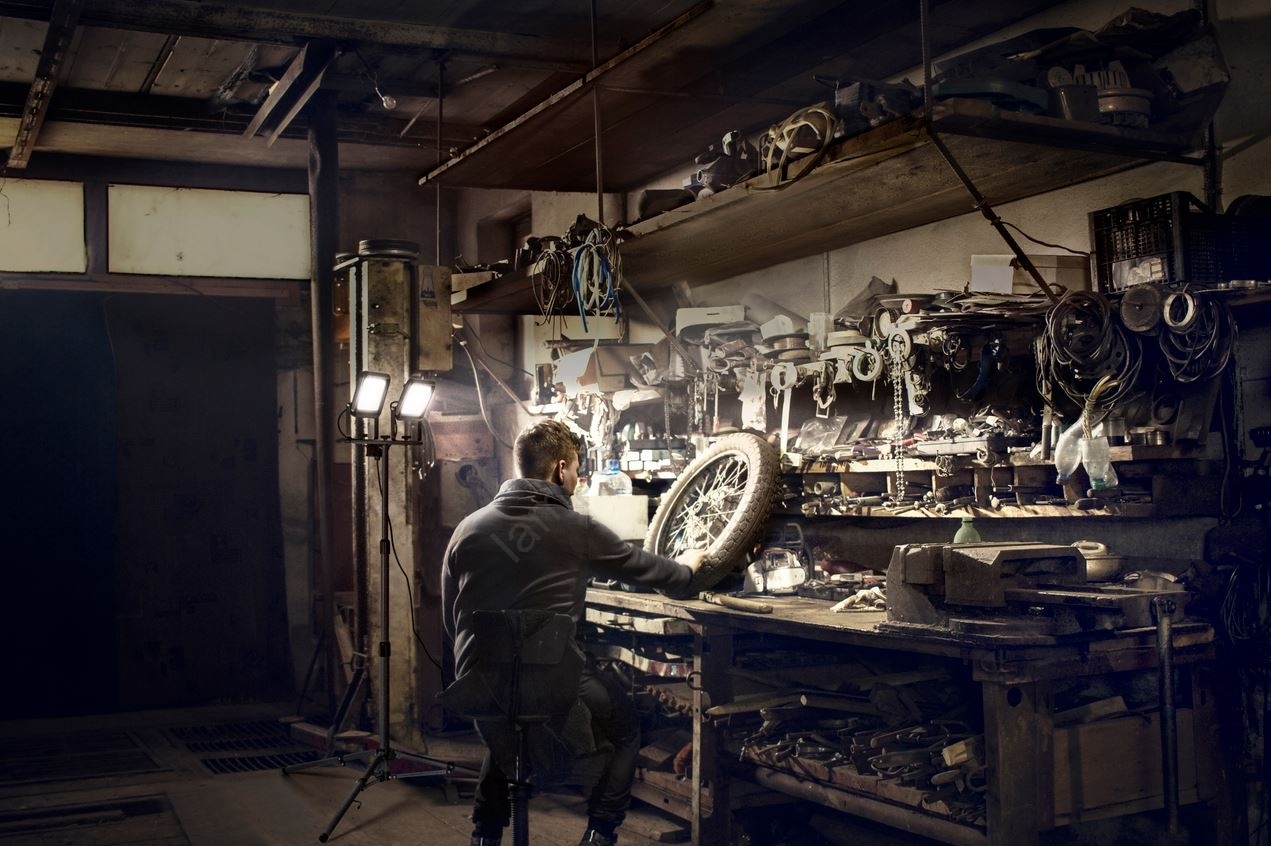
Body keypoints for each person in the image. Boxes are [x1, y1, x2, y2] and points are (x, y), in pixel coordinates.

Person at [442, 419, 707, 846]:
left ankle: (484, 836)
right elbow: (659, 573)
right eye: (577, 471)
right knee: (627, 730)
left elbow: (451, 618)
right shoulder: (575, 528)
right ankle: (600, 834)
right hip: (549, 684)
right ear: (560, 468)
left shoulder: (467, 527)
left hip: (476, 682)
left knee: (506, 726)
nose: (578, 480)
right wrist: (690, 564)